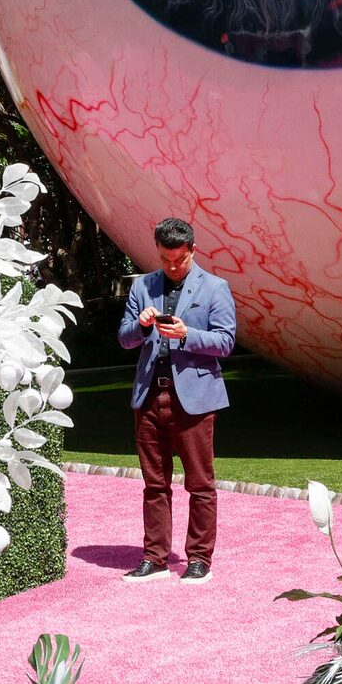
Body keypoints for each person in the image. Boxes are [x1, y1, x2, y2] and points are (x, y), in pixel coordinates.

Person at [117, 217, 237, 583]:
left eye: (179, 260)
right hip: (150, 395)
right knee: (154, 484)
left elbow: (226, 342)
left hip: (195, 399)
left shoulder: (216, 288)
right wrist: (140, 325)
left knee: (200, 484)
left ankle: (199, 559)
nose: (172, 266)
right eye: (166, 259)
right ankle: (154, 558)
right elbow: (124, 338)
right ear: (158, 251)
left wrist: (188, 335)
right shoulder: (144, 287)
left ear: (192, 251)